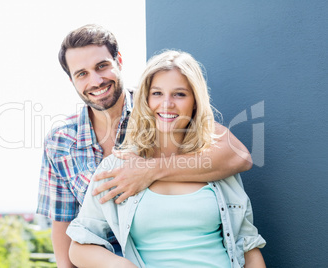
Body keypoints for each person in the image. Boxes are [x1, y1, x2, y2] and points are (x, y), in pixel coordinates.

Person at [37, 24, 253, 267]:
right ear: (72, 80)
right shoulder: (61, 140)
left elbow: (238, 156)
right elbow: (63, 224)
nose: (96, 80)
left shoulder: (159, 108)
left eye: (102, 66)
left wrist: (152, 170)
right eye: (82, 73)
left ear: (118, 61)